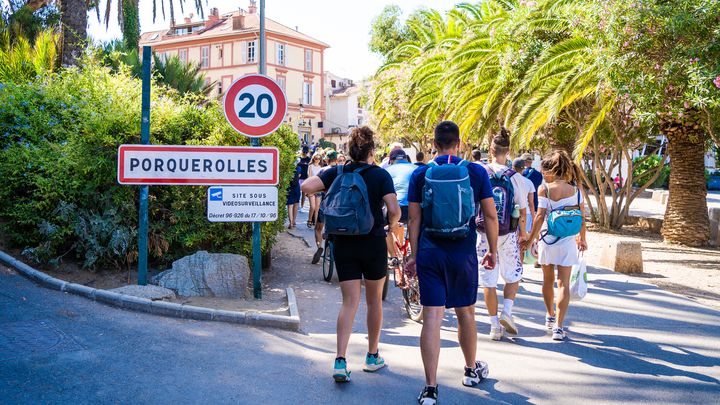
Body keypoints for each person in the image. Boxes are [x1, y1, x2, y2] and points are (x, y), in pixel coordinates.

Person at [406, 121, 498, 405]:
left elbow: (413, 219)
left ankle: (431, 389)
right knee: (466, 313)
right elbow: (491, 216)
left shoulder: (420, 174)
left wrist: (412, 254)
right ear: (458, 144)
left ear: (434, 144)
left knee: (432, 317)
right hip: (463, 253)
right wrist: (493, 250)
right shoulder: (475, 171)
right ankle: (470, 370)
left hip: (431, 252)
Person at [301, 126, 401, 382]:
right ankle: (371, 355)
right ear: (372, 150)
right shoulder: (380, 175)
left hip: (343, 242)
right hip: (373, 242)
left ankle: (340, 360)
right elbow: (393, 209)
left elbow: (306, 188)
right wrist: (393, 223)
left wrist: (331, 191)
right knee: (374, 301)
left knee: (349, 302)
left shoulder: (338, 171)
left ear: (349, 150)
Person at [521, 150, 588, 341]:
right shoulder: (576, 190)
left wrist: (531, 238)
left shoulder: (545, 189)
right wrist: (582, 239)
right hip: (567, 241)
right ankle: (559, 327)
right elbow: (582, 218)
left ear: (551, 170)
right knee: (564, 283)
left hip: (547, 239)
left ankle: (550, 315)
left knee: (547, 280)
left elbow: (540, 216)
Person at [476, 129, 528, 341]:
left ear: (490, 150)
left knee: (489, 280)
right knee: (513, 274)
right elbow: (522, 210)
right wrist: (524, 235)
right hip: (508, 233)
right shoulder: (516, 178)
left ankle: (494, 326)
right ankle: (507, 311)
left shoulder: (481, 172)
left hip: (484, 234)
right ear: (509, 151)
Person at [384, 148, 417, 261]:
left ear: (391, 160)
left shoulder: (387, 170)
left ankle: (393, 257)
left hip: (395, 209)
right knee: (416, 226)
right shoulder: (416, 168)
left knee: (384, 229)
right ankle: (414, 255)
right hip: (414, 209)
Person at [311, 151, 338, 264]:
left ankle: (319, 247)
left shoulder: (323, 171)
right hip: (339, 206)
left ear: (326, 160)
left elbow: (314, 185)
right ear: (336, 159)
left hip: (325, 204)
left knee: (318, 228)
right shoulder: (342, 171)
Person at [513, 157, 536, 250]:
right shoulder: (529, 182)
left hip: (513, 214)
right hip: (526, 214)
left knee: (513, 242)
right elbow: (531, 202)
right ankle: (520, 264)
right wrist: (534, 216)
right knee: (522, 243)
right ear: (524, 168)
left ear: (513, 167)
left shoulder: (509, 179)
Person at [307, 153, 323, 228]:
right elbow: (309, 178)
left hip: (319, 188)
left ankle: (316, 222)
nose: (317, 160)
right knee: (312, 207)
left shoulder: (321, 167)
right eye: (316, 158)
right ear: (313, 158)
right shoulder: (310, 166)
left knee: (317, 208)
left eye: (319, 159)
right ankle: (309, 220)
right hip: (312, 188)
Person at [286, 160, 301, 229]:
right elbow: (299, 176)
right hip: (296, 187)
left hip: (289, 187)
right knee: (296, 204)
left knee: (290, 205)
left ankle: (291, 222)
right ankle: (293, 222)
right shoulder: (299, 168)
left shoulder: (287, 168)